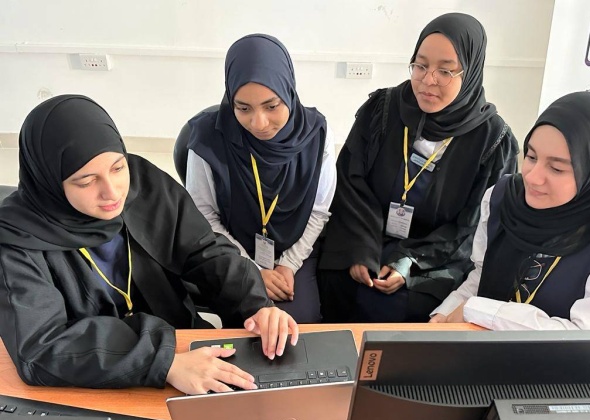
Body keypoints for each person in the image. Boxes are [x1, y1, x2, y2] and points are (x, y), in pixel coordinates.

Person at [0, 94, 299, 395]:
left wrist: (255, 306)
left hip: (182, 349)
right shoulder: (16, 240)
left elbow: (204, 251)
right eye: (86, 181)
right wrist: (164, 362)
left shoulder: (143, 182)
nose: (112, 192)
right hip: (96, 378)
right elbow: (41, 346)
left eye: (118, 167)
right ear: (49, 181)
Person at [318, 13, 518, 323]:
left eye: (445, 71)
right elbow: (350, 181)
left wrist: (408, 261)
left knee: (400, 305)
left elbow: (472, 227)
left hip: (435, 257)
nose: (427, 80)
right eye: (420, 66)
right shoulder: (383, 109)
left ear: (470, 71)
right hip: (366, 236)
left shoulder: (493, 141)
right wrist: (360, 249)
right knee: (337, 278)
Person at [186, 34, 336, 323]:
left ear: (288, 91)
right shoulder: (207, 138)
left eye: (271, 106)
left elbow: (319, 210)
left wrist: (289, 265)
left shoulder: (317, 133)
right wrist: (251, 269)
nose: (259, 123)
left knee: (300, 325)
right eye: (243, 108)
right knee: (248, 324)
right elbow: (204, 215)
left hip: (295, 249)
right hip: (231, 251)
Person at [430, 91, 590, 330]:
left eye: (556, 168)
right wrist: (445, 314)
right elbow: (481, 276)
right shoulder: (503, 199)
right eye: (531, 156)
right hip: (477, 347)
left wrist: (480, 311)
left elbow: (583, 336)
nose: (532, 177)